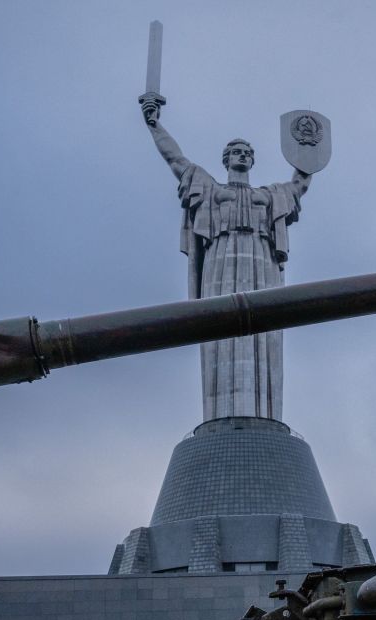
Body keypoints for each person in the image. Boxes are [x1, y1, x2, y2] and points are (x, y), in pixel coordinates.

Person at [142, 99, 312, 422]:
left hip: (262, 263)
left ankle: (265, 416)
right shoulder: (210, 189)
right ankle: (219, 418)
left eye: (248, 152)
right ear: (226, 159)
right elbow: (175, 159)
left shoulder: (270, 195)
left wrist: (308, 150)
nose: (243, 156)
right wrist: (154, 125)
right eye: (237, 151)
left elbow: (300, 184)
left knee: (266, 335)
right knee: (221, 333)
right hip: (221, 263)